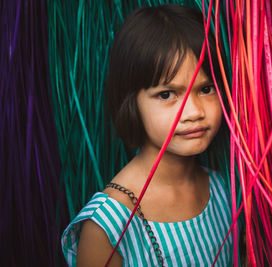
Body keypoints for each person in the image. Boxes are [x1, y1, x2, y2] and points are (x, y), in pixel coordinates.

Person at [61, 4, 233, 267]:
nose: (194, 111)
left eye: (206, 88)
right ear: (131, 103)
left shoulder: (225, 190)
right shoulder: (107, 226)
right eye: (166, 94)